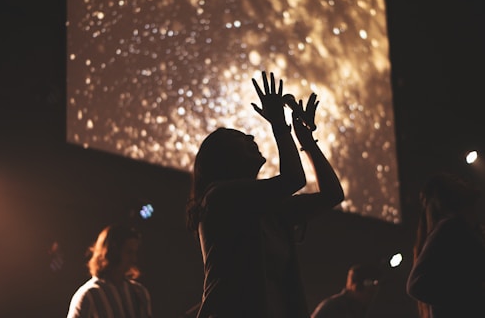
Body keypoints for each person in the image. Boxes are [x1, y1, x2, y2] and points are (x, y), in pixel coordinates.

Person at [186, 71, 345, 318]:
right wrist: (280, 125)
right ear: (222, 158)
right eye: (238, 138)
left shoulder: (269, 208)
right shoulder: (219, 197)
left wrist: (307, 141)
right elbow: (294, 179)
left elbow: (332, 195)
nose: (250, 137)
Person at [406, 172, 485, 318]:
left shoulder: (468, 230)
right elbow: (416, 285)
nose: (460, 179)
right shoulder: (450, 227)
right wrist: (477, 291)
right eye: (453, 180)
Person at [66, 223, 153, 318]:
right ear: (112, 252)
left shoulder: (139, 292)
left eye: (135, 252)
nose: (134, 259)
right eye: (129, 252)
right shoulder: (89, 296)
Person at [310, 264, 381, 318]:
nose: (371, 297)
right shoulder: (334, 307)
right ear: (356, 286)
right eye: (370, 293)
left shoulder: (361, 309)